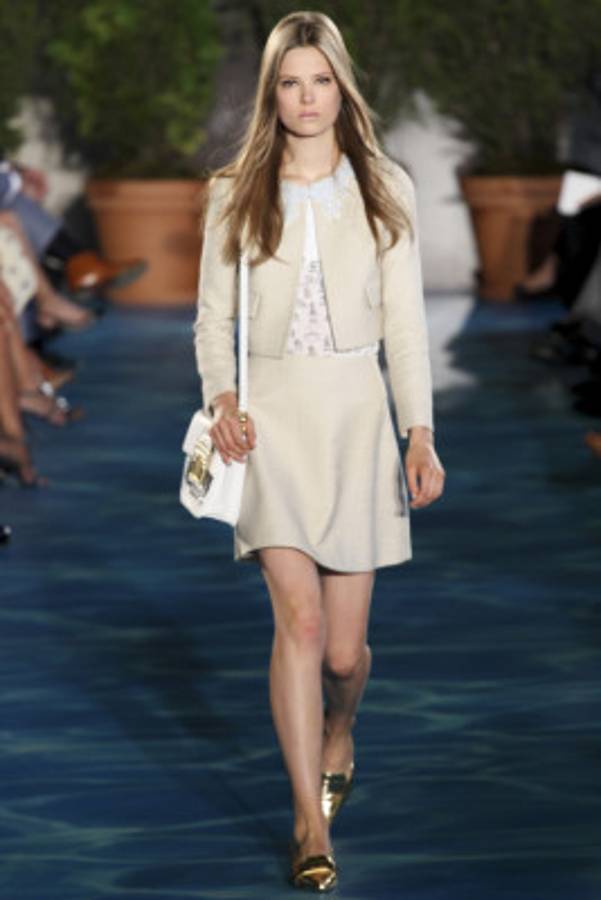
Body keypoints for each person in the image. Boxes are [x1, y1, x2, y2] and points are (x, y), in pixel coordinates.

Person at [193, 11, 445, 892]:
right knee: (296, 623)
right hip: (268, 422)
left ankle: (340, 727)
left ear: (342, 88)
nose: (305, 98)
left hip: (354, 419)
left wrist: (419, 431)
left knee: (342, 654)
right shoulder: (234, 190)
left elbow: (405, 324)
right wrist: (221, 398)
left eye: (320, 81)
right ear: (271, 94)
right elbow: (212, 319)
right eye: (289, 83)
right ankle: (309, 822)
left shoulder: (384, 186)